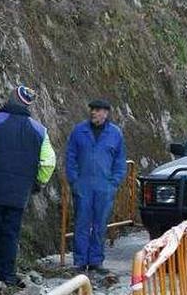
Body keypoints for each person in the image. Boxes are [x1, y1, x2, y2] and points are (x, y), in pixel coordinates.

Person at [0, 85, 56, 289]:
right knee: (9, 234)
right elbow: (48, 163)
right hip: (18, 196)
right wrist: (37, 183)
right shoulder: (39, 131)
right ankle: (6, 276)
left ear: (9, 100)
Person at [65, 99, 127, 273]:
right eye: (92, 109)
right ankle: (79, 261)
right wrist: (74, 181)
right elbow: (70, 157)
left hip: (104, 186)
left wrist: (114, 182)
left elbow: (120, 161)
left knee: (100, 224)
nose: (93, 112)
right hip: (83, 185)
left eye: (98, 110)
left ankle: (96, 261)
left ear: (106, 113)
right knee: (81, 223)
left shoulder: (115, 134)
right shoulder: (79, 131)